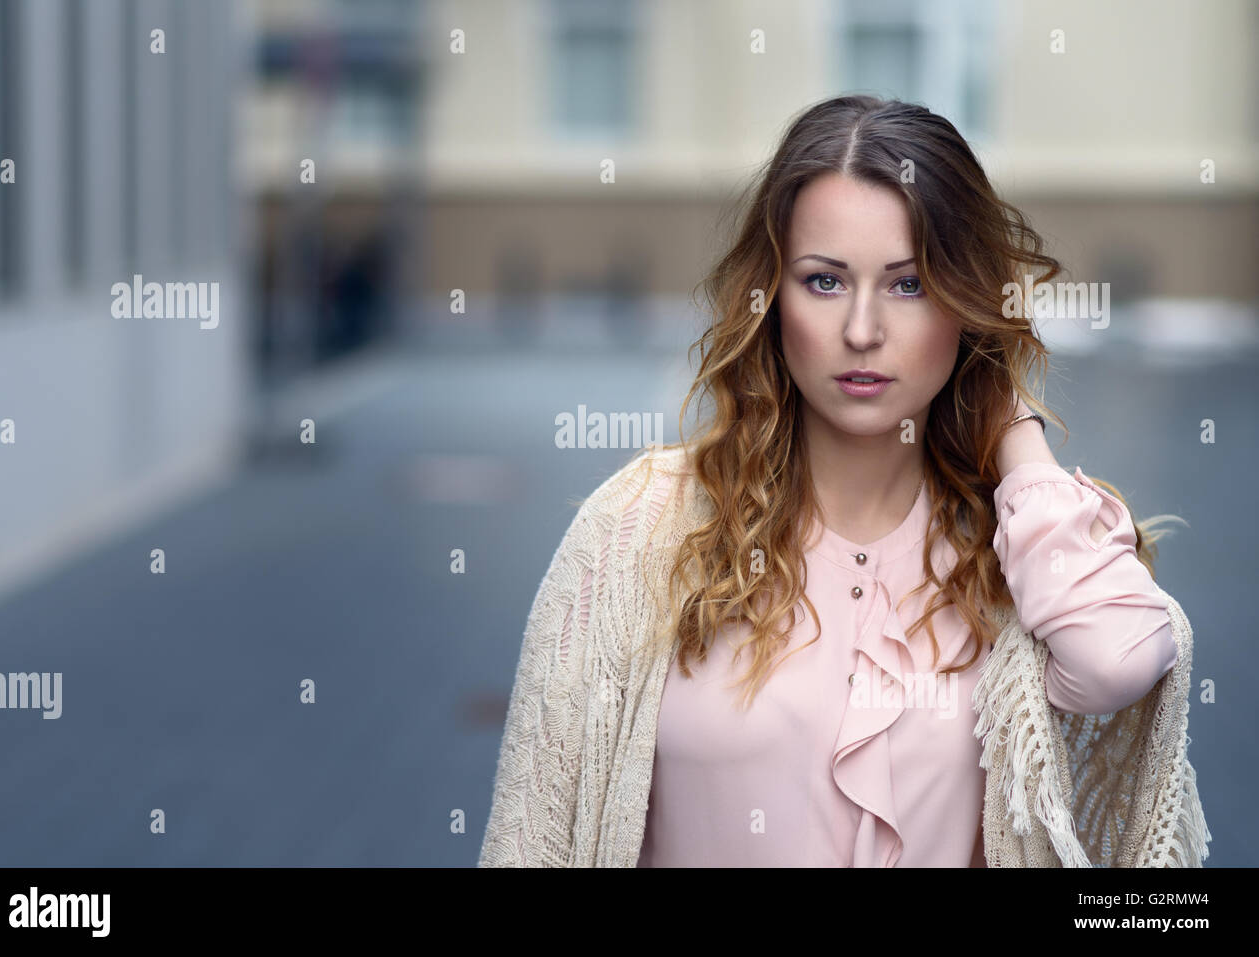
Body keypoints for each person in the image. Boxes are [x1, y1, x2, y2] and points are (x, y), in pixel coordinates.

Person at [478, 95, 1209, 867]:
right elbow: (531, 838)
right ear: (771, 299)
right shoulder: (639, 524)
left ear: (966, 305)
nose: (862, 330)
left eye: (909, 284)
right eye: (825, 282)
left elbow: (1120, 657)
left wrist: (1011, 430)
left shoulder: (1017, 548)